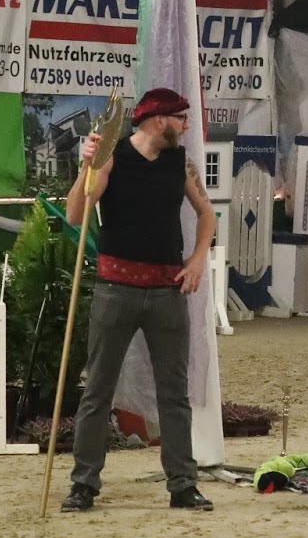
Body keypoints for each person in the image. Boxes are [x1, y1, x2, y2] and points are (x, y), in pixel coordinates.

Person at [61, 87, 216, 514]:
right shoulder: (111, 157)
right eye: (181, 118)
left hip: (168, 290)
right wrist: (88, 166)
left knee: (174, 393)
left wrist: (198, 259)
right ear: (158, 119)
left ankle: (183, 484)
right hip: (116, 289)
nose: (186, 125)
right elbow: (75, 214)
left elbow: (207, 213)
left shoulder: (180, 163)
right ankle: (83, 484)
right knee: (98, 389)